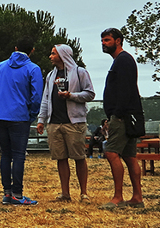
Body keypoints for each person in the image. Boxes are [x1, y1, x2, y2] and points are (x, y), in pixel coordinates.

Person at [36, 44, 95, 202]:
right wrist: (41, 120)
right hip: (54, 123)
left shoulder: (80, 72)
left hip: (74, 123)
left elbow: (90, 94)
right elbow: (45, 99)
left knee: (79, 157)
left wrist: (71, 96)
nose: (50, 56)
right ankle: (65, 193)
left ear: (63, 55)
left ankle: (83, 193)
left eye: (53, 53)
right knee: (60, 158)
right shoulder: (51, 75)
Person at [0, 36, 43, 205]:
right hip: (19, 116)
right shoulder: (33, 69)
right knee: (19, 155)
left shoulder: (1, 65)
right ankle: (17, 194)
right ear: (32, 51)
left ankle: (7, 193)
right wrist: (31, 114)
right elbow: (37, 96)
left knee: (6, 154)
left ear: (15, 48)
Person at [98, 28, 144, 209]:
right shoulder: (120, 61)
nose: (103, 43)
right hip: (126, 115)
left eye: (107, 40)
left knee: (111, 152)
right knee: (129, 156)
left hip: (122, 117)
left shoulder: (123, 60)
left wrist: (116, 115)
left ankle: (118, 198)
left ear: (118, 41)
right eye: (102, 40)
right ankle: (137, 197)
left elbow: (125, 90)